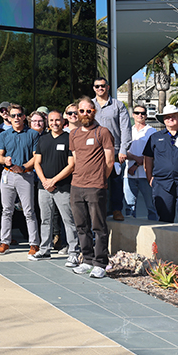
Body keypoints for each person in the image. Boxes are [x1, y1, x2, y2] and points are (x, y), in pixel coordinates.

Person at [68, 97, 115, 278]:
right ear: (77, 113)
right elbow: (76, 159)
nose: (85, 114)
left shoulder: (102, 132)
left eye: (89, 111)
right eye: (81, 111)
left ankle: (100, 263)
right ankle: (86, 260)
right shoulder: (74, 134)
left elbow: (109, 161)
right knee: (81, 225)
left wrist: (99, 180)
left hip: (96, 187)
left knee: (99, 226)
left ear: (94, 112)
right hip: (76, 186)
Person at [0, 104, 40, 256]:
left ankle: (34, 244)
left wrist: (24, 167)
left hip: (25, 175)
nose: (16, 118)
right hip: (8, 175)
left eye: (19, 115)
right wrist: (4, 160)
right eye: (13, 115)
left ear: (24, 117)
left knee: (29, 211)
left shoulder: (32, 134)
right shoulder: (4, 135)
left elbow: (36, 157)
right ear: (9, 117)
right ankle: (4, 242)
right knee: (6, 210)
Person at [32, 110, 79, 262]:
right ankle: (45, 249)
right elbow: (37, 162)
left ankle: (74, 252)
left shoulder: (69, 138)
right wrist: (45, 181)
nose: (54, 123)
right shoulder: (43, 139)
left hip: (63, 187)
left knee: (68, 220)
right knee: (45, 220)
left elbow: (71, 165)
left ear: (62, 121)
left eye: (57, 120)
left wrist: (54, 181)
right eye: (51, 120)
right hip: (43, 187)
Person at [92, 77, 132, 221]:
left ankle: (116, 209)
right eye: (97, 86)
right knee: (96, 182)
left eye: (102, 86)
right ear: (94, 88)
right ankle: (98, 211)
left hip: (114, 150)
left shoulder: (118, 105)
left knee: (116, 182)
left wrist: (123, 150)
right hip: (95, 151)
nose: (100, 88)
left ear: (108, 87)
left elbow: (125, 129)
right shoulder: (90, 106)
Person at [124, 104, 159, 220]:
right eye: (137, 113)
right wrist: (135, 158)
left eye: (143, 113)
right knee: (129, 207)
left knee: (151, 206)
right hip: (129, 175)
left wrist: (137, 164)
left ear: (146, 115)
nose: (140, 115)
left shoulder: (152, 131)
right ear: (133, 115)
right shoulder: (128, 131)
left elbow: (153, 153)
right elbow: (123, 151)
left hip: (146, 174)